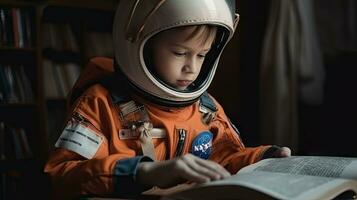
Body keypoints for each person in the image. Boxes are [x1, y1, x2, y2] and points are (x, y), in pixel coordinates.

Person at [44, 0, 291, 199]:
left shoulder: (206, 108)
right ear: (144, 44)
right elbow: (63, 175)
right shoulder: (99, 103)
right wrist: (143, 172)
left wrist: (263, 158)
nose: (191, 68)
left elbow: (225, 158)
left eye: (202, 55)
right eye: (180, 53)